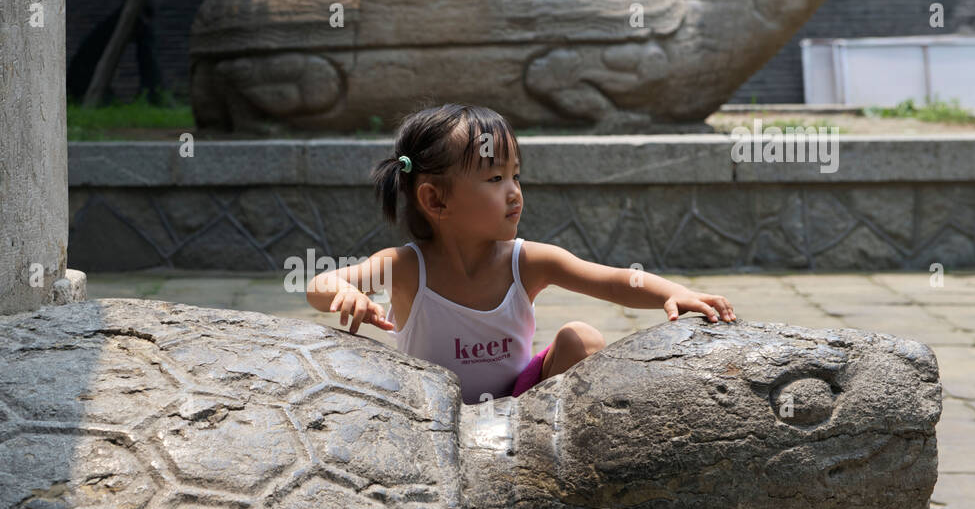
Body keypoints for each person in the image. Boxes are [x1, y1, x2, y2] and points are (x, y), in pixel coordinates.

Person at [304, 103, 738, 405]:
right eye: (494, 178)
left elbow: (615, 279)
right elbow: (320, 284)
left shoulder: (528, 261)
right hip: (429, 410)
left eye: (516, 175)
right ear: (435, 201)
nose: (514, 192)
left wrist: (675, 293)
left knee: (581, 338)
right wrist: (346, 295)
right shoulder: (405, 267)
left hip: (520, 403)